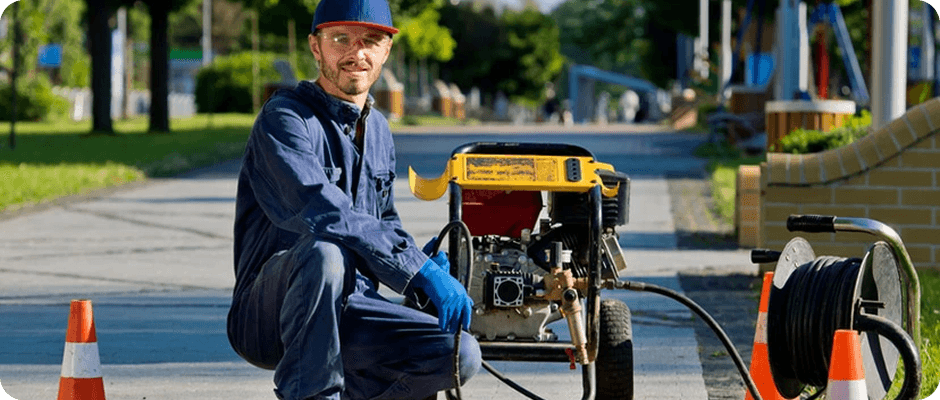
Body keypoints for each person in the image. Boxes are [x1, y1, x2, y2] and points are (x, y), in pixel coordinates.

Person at [226, 0, 481, 398]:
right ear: (316, 47)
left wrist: (423, 269)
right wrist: (415, 269)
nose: (356, 53)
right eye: (340, 39)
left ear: (387, 50)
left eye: (371, 40)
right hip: (271, 313)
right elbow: (322, 209)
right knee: (324, 252)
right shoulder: (284, 119)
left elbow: (386, 221)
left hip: (353, 306)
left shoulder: (378, 128)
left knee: (459, 353)